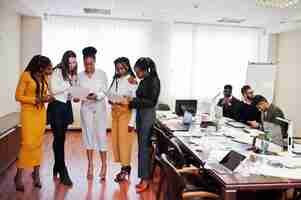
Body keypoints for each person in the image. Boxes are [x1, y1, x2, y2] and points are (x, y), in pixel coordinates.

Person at [15, 55, 53, 191]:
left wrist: (48, 98)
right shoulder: (25, 76)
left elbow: (44, 95)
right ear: (39, 67)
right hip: (28, 114)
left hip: (40, 113)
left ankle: (36, 174)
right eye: (46, 68)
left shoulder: (43, 77)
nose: (47, 71)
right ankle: (18, 177)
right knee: (27, 144)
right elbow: (18, 96)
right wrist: (35, 99)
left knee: (38, 143)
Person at [128, 57, 161, 193]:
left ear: (145, 70)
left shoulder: (154, 80)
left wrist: (133, 101)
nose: (137, 74)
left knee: (144, 148)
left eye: (138, 72)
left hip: (147, 115)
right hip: (142, 114)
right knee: (142, 147)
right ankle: (144, 177)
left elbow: (151, 102)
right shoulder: (145, 80)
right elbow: (142, 96)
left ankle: (145, 179)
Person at [47, 50, 78, 186]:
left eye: (74, 62)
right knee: (58, 138)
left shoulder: (72, 74)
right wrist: (70, 86)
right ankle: (63, 169)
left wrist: (75, 94)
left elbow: (70, 93)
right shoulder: (57, 71)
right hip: (56, 107)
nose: (72, 65)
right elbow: (53, 89)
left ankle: (57, 165)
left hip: (66, 107)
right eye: (70, 62)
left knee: (61, 138)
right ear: (65, 61)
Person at [78, 46, 108, 181]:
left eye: (91, 63)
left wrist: (96, 96)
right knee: (88, 136)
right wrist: (78, 96)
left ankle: (104, 165)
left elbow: (105, 90)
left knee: (101, 136)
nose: (88, 66)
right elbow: (77, 93)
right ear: (83, 62)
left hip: (99, 107)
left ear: (95, 62)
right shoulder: (80, 76)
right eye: (86, 64)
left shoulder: (102, 74)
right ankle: (90, 165)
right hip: (86, 108)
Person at [107, 57, 137, 182]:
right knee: (117, 143)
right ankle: (123, 167)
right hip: (115, 114)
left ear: (127, 67)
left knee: (125, 144)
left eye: (121, 68)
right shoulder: (116, 79)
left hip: (126, 115)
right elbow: (110, 93)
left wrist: (132, 123)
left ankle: (126, 169)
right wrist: (110, 98)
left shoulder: (132, 80)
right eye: (117, 69)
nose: (119, 71)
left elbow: (135, 103)